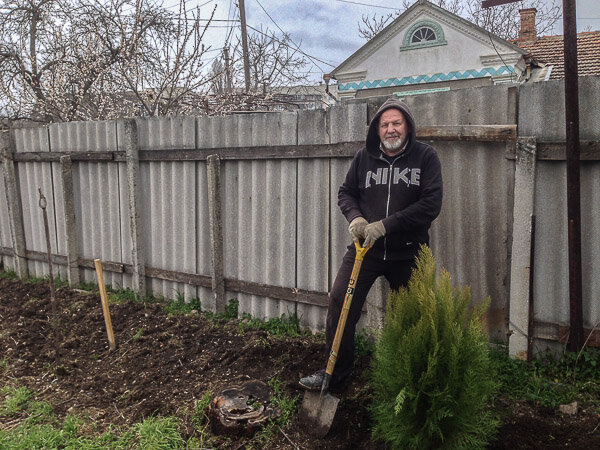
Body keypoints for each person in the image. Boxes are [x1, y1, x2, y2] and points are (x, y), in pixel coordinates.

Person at [299, 97, 443, 391]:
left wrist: (386, 225)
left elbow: (431, 205)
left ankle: (412, 380)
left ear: (408, 127)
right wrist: (355, 218)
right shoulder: (363, 158)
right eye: (385, 124)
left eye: (396, 123)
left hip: (409, 252)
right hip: (365, 251)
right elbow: (346, 193)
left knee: (414, 315)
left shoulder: (426, 157)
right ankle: (334, 375)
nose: (391, 129)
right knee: (341, 302)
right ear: (377, 129)